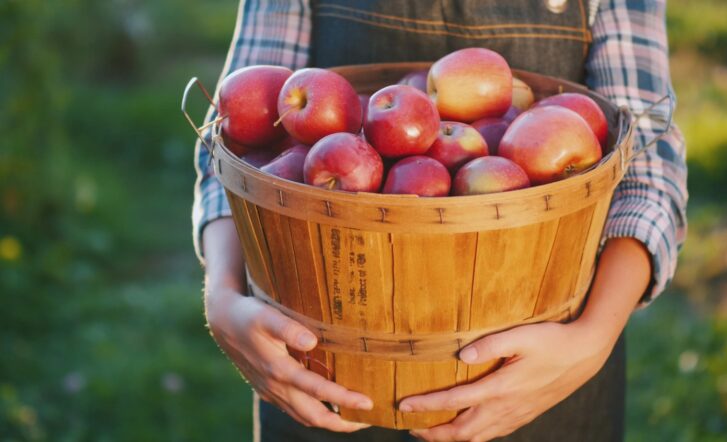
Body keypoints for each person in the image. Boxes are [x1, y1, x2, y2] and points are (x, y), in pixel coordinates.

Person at [193, 1, 687, 440]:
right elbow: (233, 145)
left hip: (546, 371)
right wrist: (222, 295)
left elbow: (645, 164)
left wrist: (592, 338)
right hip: (319, 362)